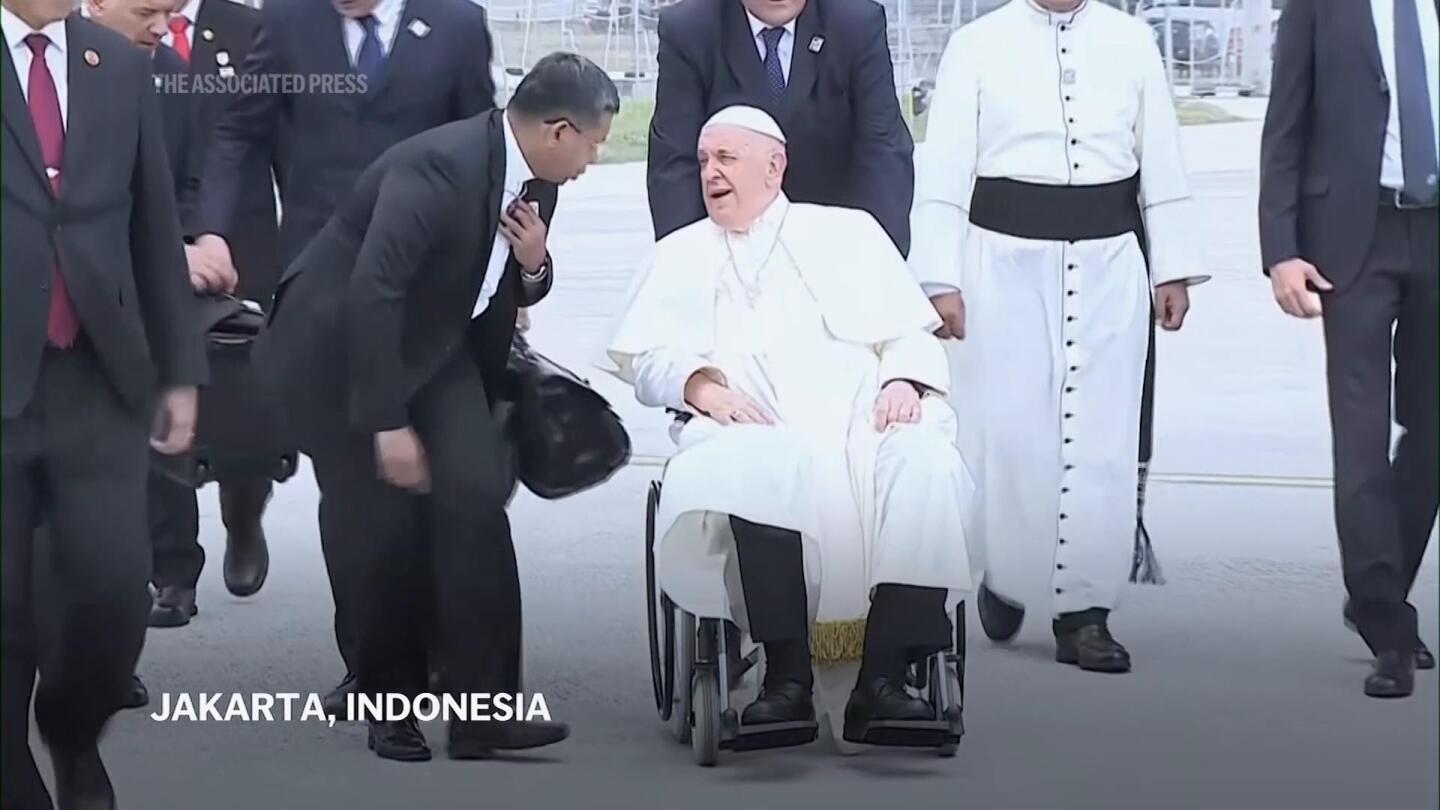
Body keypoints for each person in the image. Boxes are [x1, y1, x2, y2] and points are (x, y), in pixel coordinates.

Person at [250, 51, 615, 761]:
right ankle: (391, 704)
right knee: (381, 524)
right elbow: (373, 293)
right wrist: (388, 423)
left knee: (476, 494)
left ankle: (485, 712)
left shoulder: (539, 181)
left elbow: (501, 287)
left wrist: (535, 263)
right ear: (560, 131)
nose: (594, 161)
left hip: (433, 342)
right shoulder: (437, 168)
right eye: (595, 146)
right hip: (341, 352)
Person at [607, 105, 976, 745]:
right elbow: (649, 361)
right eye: (702, 162)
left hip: (863, 418)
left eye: (726, 159)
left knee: (926, 461)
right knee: (753, 465)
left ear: (774, 166)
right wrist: (699, 384)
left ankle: (883, 681)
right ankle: (787, 679)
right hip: (748, 420)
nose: (710, 174)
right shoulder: (682, 252)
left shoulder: (850, 233)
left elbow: (910, 335)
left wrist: (901, 381)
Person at [190, 0, 500, 710]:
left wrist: (503, 278)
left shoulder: (455, 24)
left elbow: (486, 144)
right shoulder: (288, 22)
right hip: (321, 289)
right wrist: (212, 229)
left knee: (437, 481)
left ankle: (441, 653)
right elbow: (239, 134)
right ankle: (371, 662)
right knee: (354, 489)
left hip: (428, 294)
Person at [909, 0, 1207, 673]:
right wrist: (938, 277)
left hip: (1109, 266)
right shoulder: (976, 43)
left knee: (1101, 440)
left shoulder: (1132, 41)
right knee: (1009, 434)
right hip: (1001, 265)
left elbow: (1161, 158)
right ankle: (1008, 574)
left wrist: (1174, 268)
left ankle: (1085, 614)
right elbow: (945, 168)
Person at [1, 0, 206, 806]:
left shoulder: (115, 64)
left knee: (111, 586)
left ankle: (72, 728)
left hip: (97, 368)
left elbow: (154, 225)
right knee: (5, 602)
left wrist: (181, 370)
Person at [1259, 0, 1438, 698]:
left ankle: (1374, 590)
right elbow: (1286, 120)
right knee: (1360, 436)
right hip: (1352, 238)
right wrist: (1281, 249)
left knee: (1431, 433)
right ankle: (1388, 628)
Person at [146, 0, 284, 633]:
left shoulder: (247, 28)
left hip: (238, 247)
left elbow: (279, 141)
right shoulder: (117, 27)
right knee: (159, 408)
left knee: (240, 410)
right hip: (149, 239)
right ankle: (172, 570)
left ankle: (243, 512)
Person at [80, 0, 202, 714]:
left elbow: (171, 196)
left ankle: (106, 657)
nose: (162, 26)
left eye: (169, 10)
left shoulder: (164, 81)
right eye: (146, 10)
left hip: (129, 326)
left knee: (118, 507)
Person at [646, 0, 914, 255]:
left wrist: (878, 259)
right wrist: (689, 265)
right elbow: (674, 163)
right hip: (726, 246)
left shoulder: (857, 25)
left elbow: (883, 151)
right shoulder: (689, 30)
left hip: (834, 241)